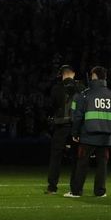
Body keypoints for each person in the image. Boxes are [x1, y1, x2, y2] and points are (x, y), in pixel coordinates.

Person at [65, 66, 111, 198]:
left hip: (88, 136)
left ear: (94, 76)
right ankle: (100, 191)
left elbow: (77, 117)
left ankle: (76, 191)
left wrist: (75, 133)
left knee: (82, 163)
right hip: (106, 137)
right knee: (102, 165)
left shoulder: (85, 95)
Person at [45, 65, 83, 195]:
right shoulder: (81, 88)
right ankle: (75, 188)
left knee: (56, 157)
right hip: (76, 127)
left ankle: (52, 187)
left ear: (62, 74)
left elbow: (52, 105)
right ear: (73, 74)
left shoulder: (56, 88)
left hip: (61, 126)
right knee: (76, 159)